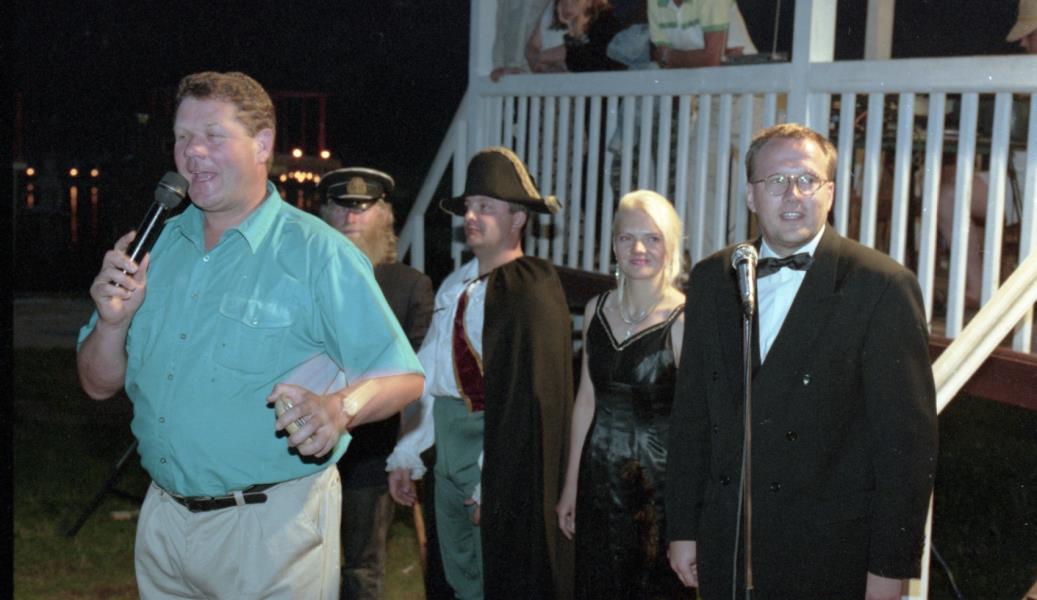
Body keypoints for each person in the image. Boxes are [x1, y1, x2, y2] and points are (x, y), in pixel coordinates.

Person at [76, 71, 424, 599]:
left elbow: (403, 377)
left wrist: (340, 408)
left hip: (272, 531)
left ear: (262, 145)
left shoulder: (318, 253)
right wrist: (111, 321)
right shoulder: (153, 247)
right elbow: (97, 384)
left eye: (213, 135)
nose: (192, 152)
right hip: (164, 522)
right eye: (182, 136)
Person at [666, 124, 938, 599]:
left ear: (829, 193)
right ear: (751, 196)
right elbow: (692, 415)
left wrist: (889, 570)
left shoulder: (880, 287)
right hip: (727, 544)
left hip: (827, 556)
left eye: (807, 179)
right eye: (776, 181)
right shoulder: (712, 278)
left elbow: (906, 449)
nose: (792, 194)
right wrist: (683, 527)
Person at [385, 146, 574, 600]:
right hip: (447, 444)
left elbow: (529, 399)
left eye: (486, 207)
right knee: (455, 571)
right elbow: (430, 374)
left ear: (517, 218)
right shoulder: (455, 285)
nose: (471, 216)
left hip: (498, 449)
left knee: (500, 572)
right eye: (469, 206)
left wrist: (496, 483)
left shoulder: (532, 289)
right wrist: (408, 453)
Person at [555, 190, 686, 598]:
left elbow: (694, 422)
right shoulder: (595, 309)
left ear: (670, 246)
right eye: (627, 238)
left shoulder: (685, 319)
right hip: (597, 478)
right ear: (614, 245)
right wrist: (570, 486)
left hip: (656, 488)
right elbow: (586, 401)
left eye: (652, 238)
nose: (639, 249)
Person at [318, 167, 436, 599]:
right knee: (298, 567)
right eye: (341, 207)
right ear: (326, 216)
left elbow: (422, 375)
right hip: (301, 452)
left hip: (369, 455)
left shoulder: (409, 286)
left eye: (362, 208)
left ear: (384, 217)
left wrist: (407, 452)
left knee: (361, 571)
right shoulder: (305, 278)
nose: (351, 217)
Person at [936, 0, 1034, 308]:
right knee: (949, 194)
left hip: (1029, 187)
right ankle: (977, 288)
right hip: (1019, 182)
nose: (1021, 42)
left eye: (1028, 33)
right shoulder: (1024, 75)